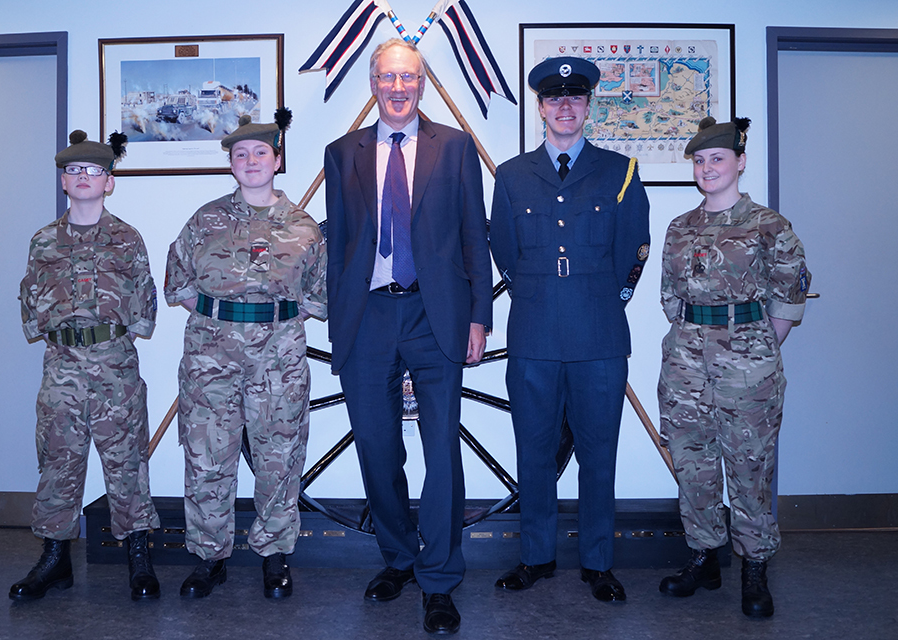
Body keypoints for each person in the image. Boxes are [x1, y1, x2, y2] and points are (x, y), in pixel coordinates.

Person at [323, 39, 492, 635]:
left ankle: (440, 579)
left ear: (423, 83)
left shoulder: (457, 147)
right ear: (373, 83)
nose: (399, 88)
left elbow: (474, 236)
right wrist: (338, 320)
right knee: (375, 446)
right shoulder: (341, 153)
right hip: (367, 316)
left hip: (436, 314)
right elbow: (339, 247)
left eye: (409, 77)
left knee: (441, 449)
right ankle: (398, 557)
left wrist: (479, 317)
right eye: (388, 77)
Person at [490, 56, 650, 602]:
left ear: (587, 107)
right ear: (541, 108)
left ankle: (598, 563)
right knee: (533, 452)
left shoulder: (619, 171)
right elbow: (503, 248)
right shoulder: (512, 175)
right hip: (533, 334)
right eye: (554, 99)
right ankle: (535, 556)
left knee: (598, 454)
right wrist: (539, 294)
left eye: (575, 98)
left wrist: (604, 299)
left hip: (599, 336)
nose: (565, 106)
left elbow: (633, 247)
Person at [164, 110, 327, 600]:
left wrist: (266, 324)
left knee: (280, 456)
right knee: (207, 455)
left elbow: (316, 297)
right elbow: (179, 283)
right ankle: (209, 556)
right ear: (231, 164)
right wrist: (225, 319)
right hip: (209, 356)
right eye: (241, 154)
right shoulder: (205, 221)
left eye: (260, 152)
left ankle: (274, 554)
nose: (251, 161)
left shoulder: (305, 228)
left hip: (279, 358)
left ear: (277, 160)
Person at [656, 117, 809, 618]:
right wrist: (694, 343)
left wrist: (754, 345)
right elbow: (670, 296)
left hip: (747, 361)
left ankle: (755, 565)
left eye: (717, 159)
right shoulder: (680, 227)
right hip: (685, 360)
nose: (707, 168)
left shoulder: (769, 226)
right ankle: (703, 556)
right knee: (692, 463)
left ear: (740, 162)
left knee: (749, 466)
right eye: (699, 161)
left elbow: (789, 296)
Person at [14, 130, 160, 601]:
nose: (82, 177)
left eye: (92, 170)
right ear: (63, 181)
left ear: (108, 182)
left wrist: (113, 338)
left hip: (115, 365)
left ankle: (138, 556)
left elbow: (145, 300)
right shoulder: (42, 241)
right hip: (61, 366)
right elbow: (30, 299)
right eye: (73, 170)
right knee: (58, 460)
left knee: (127, 461)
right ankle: (55, 558)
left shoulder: (127, 239)